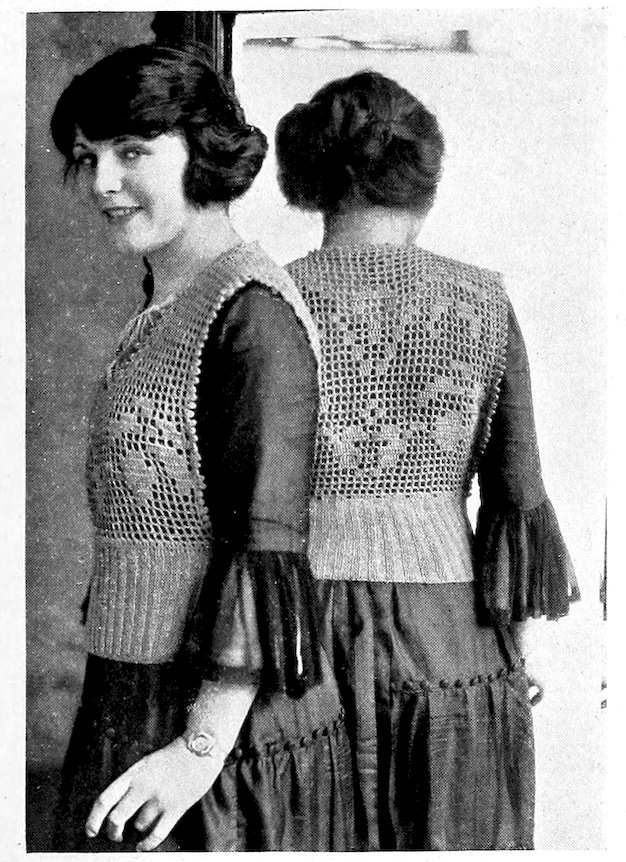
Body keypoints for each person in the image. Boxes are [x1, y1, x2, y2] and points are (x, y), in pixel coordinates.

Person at [48, 43, 354, 852]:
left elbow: (266, 543)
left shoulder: (252, 312)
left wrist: (198, 749)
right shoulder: (170, 301)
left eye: (131, 152)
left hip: (215, 735)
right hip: (134, 688)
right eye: (88, 156)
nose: (102, 182)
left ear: (204, 150)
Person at [276, 70, 580, 851]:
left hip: (296, 633)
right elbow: (517, 494)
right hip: (450, 637)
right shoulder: (481, 301)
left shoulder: (264, 299)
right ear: (424, 179)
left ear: (311, 180)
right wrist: (517, 649)